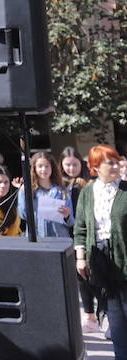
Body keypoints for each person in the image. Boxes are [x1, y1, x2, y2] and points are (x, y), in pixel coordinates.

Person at [75, 144, 127, 357]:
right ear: (95, 167)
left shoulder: (125, 189)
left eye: (117, 161)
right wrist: (81, 258)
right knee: (115, 316)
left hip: (124, 257)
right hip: (101, 260)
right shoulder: (87, 193)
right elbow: (80, 227)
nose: (116, 166)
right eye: (110, 162)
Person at [61, 146, 98, 331]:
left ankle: (102, 312)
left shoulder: (89, 183)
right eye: (67, 165)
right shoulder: (59, 185)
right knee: (80, 276)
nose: (71, 168)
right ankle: (90, 314)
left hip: (88, 231)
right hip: (68, 232)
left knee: (95, 275)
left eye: (74, 164)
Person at [17, 151, 73, 239]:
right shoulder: (28, 190)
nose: (44, 169)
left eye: (47, 166)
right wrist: (24, 193)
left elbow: (71, 222)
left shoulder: (62, 191)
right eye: (40, 166)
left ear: (52, 167)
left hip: (60, 239)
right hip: (38, 239)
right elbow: (23, 215)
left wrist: (67, 216)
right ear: (34, 168)